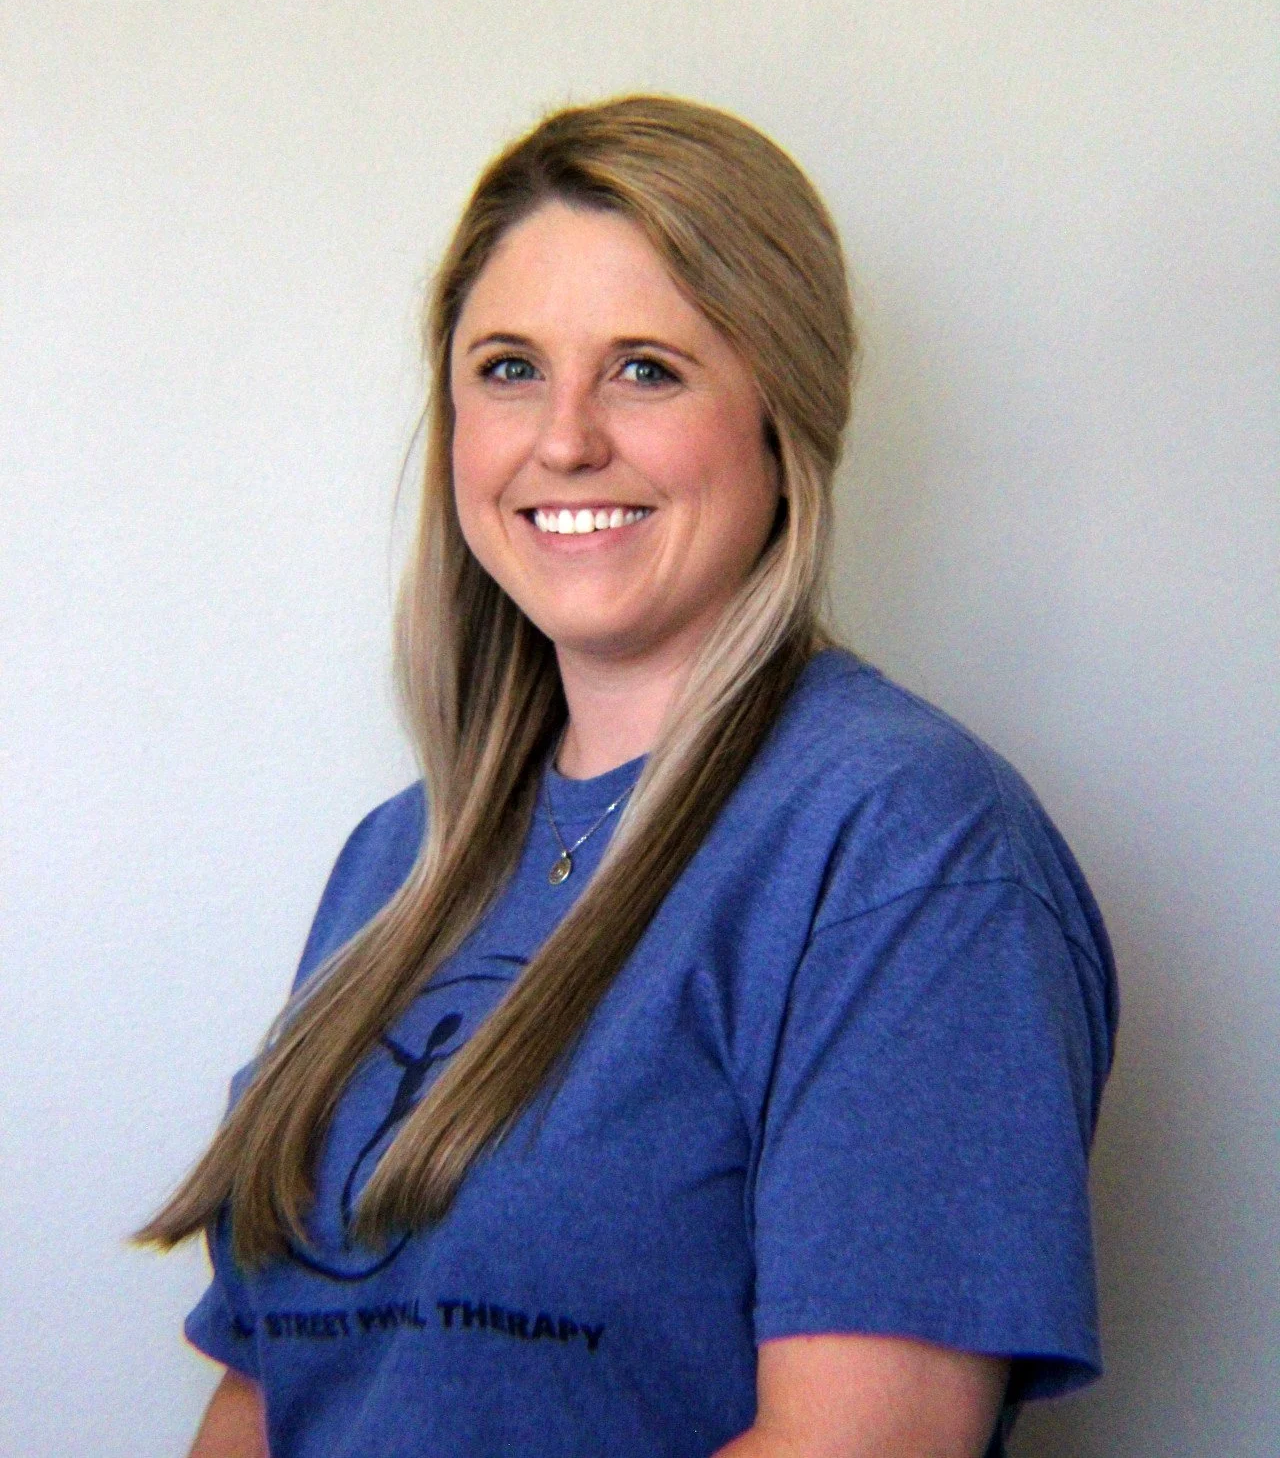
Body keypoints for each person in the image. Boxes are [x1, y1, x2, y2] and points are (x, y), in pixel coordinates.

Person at [137, 95, 1118, 1458]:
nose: (565, 439)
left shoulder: (905, 847)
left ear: (781, 419)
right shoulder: (397, 860)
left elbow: (862, 1444)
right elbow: (266, 1401)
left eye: (646, 370)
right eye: (508, 369)